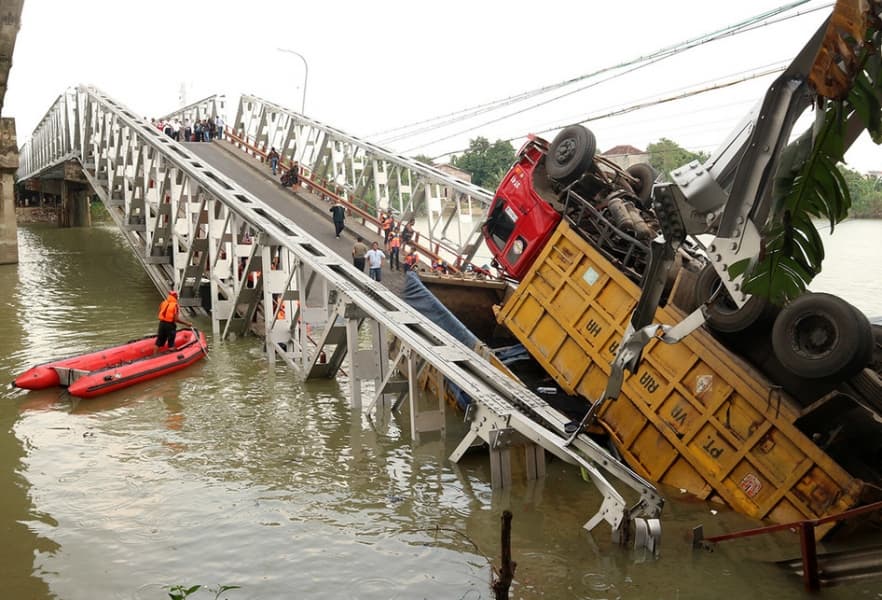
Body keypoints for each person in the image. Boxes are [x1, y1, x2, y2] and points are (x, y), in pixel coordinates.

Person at [154, 290, 192, 355]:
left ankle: (154, 356)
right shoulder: (175, 306)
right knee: (171, 343)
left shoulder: (163, 303)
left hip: (162, 324)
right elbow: (176, 319)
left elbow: (161, 312)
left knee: (158, 341)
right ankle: (172, 357)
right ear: (175, 297)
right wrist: (187, 323)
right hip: (170, 325)